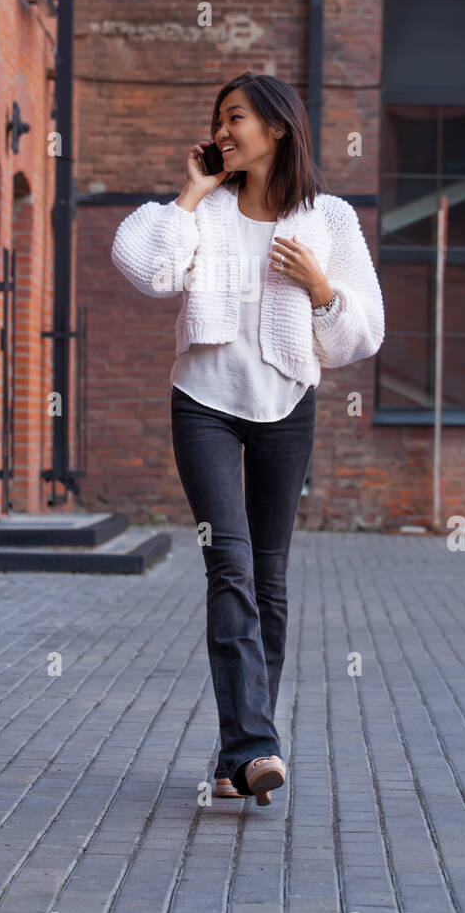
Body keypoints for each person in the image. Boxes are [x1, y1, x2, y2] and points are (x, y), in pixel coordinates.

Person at [110, 71, 385, 806]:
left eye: (236, 119)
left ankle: (238, 756)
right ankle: (256, 746)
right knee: (227, 564)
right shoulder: (207, 211)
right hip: (203, 403)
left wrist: (322, 288)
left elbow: (365, 331)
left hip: (287, 405)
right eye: (219, 120)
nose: (224, 131)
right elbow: (146, 267)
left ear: (279, 128)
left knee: (269, 576)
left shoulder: (328, 219)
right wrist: (192, 193)